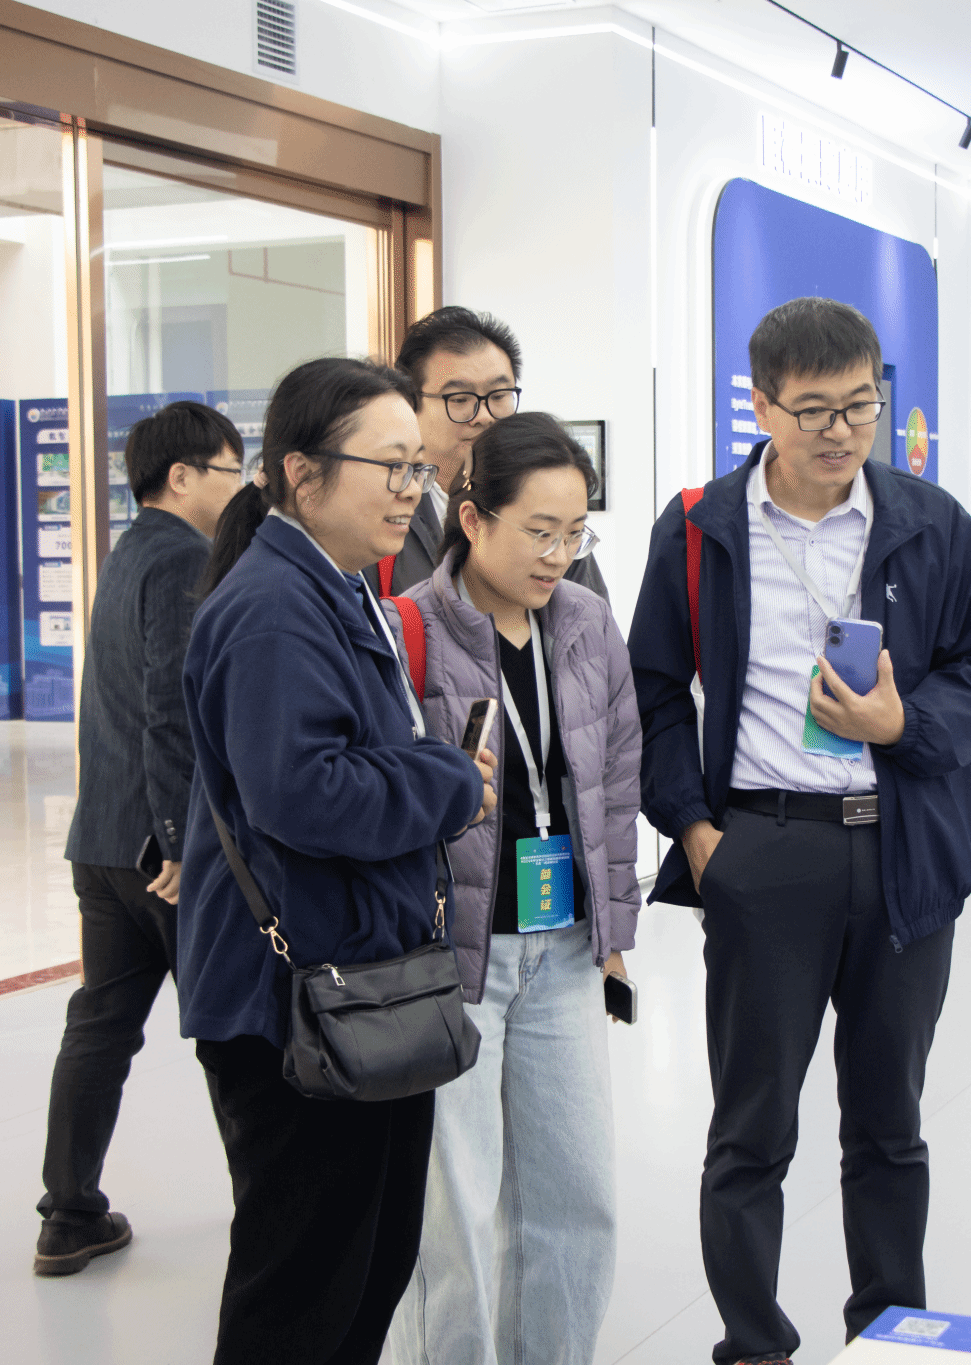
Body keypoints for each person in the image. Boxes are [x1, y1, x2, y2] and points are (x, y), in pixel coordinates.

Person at [628, 297, 971, 1365]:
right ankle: (754, 1344)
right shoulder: (701, 527)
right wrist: (694, 829)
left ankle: (890, 1334)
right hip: (764, 852)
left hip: (903, 853)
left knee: (889, 1125)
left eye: (860, 405)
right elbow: (653, 689)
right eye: (813, 410)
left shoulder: (929, 523)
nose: (842, 431)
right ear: (760, 406)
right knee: (750, 1130)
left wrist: (907, 725)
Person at [177, 357, 497, 1365]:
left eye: (417, 469)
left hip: (357, 978)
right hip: (293, 997)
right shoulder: (275, 609)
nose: (411, 490)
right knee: (301, 1294)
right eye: (389, 467)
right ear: (302, 473)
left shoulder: (338, 588)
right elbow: (304, 793)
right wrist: (448, 780)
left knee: (367, 1270)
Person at [384, 411, 640, 1365]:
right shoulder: (409, 627)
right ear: (472, 518)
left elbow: (617, 777)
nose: (558, 555)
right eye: (538, 531)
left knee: (578, 1195)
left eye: (575, 533)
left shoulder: (586, 623)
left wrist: (614, 932)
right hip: (454, 958)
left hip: (565, 949)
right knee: (453, 1212)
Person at [35, 400, 246, 1276]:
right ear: (183, 476)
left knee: (101, 1026)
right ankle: (269, 1208)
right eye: (232, 471)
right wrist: (181, 843)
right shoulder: (185, 558)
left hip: (100, 841)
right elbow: (170, 710)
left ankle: (68, 1213)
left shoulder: (127, 554)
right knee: (233, 1032)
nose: (242, 488)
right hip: (162, 854)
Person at [368, 305, 611, 602]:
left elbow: (586, 619)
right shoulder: (382, 511)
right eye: (460, 399)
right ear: (411, 404)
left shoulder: (551, 512)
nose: (483, 416)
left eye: (498, 396)